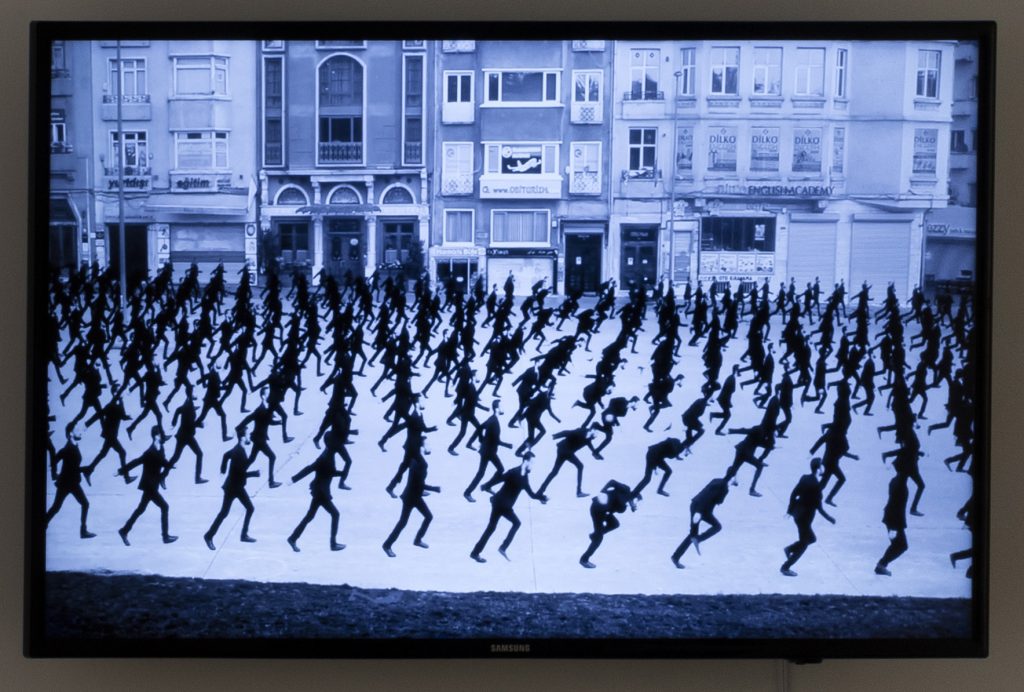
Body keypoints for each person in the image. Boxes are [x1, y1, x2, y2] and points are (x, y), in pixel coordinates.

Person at [469, 452, 547, 563]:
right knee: (516, 523)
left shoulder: (521, 475)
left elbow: (531, 494)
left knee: (491, 528)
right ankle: (503, 547)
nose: (532, 466)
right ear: (525, 462)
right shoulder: (516, 473)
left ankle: (475, 553)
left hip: (498, 502)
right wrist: (486, 485)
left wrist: (542, 498)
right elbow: (500, 479)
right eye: (531, 463)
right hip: (504, 506)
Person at [117, 426, 178, 546]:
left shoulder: (160, 448)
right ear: (156, 436)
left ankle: (124, 530)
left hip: (152, 484)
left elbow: (163, 461)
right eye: (160, 434)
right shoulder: (149, 452)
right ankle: (165, 537)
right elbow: (136, 462)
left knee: (140, 509)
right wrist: (121, 471)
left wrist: (169, 465)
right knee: (164, 507)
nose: (162, 436)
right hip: (149, 485)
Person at [204, 428, 259, 550]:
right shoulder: (239, 452)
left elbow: (226, 455)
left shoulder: (238, 449)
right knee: (230, 512)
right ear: (243, 438)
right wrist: (254, 474)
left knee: (243, 509)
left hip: (235, 486)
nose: (249, 436)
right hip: (233, 488)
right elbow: (240, 473)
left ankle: (242, 535)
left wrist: (223, 470)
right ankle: (209, 536)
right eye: (247, 435)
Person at [286, 445, 348, 553]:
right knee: (335, 514)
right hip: (321, 493)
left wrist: (341, 473)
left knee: (309, 517)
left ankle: (292, 538)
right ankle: (333, 544)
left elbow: (325, 472)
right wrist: (293, 479)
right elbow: (311, 469)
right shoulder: (324, 459)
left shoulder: (327, 455)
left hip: (318, 491)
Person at [780, 458, 836, 576]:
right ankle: (785, 567)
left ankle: (790, 549)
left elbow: (793, 494)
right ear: (818, 469)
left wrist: (790, 511)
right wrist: (830, 518)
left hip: (797, 514)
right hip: (804, 519)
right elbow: (819, 508)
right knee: (804, 544)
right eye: (822, 466)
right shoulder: (816, 487)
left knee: (812, 539)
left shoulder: (804, 478)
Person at [382, 453, 440, 557]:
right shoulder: (420, 466)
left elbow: (416, 483)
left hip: (413, 496)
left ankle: (417, 540)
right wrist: (434, 488)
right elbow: (419, 484)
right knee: (404, 522)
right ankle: (387, 545)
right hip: (411, 498)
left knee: (426, 517)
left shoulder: (415, 462)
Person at [44, 427, 95, 539]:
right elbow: (67, 466)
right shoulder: (69, 449)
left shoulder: (72, 447)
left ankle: (43, 524)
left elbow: (55, 461)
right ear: (70, 433)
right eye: (78, 430)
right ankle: (83, 531)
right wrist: (84, 469)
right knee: (82, 504)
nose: (81, 432)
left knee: (57, 507)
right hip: (68, 482)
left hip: (69, 482)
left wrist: (55, 473)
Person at [671, 477, 730, 568]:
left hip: (696, 505)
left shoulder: (716, 480)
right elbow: (717, 500)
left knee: (693, 534)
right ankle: (697, 539)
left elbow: (706, 493)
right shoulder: (724, 487)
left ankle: (676, 556)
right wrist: (699, 512)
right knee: (717, 527)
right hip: (701, 510)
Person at [579, 479, 635, 568]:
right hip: (597, 510)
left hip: (605, 511)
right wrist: (602, 492)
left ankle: (594, 535)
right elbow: (612, 482)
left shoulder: (627, 501)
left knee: (614, 524)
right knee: (599, 538)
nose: (632, 502)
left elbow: (621, 508)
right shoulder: (625, 489)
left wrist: (631, 506)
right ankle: (584, 559)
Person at [875, 470, 910, 576]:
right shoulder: (900, 484)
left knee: (897, 544)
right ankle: (881, 565)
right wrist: (896, 525)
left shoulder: (894, 481)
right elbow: (896, 504)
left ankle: (881, 565)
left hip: (891, 518)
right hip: (895, 520)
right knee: (901, 545)